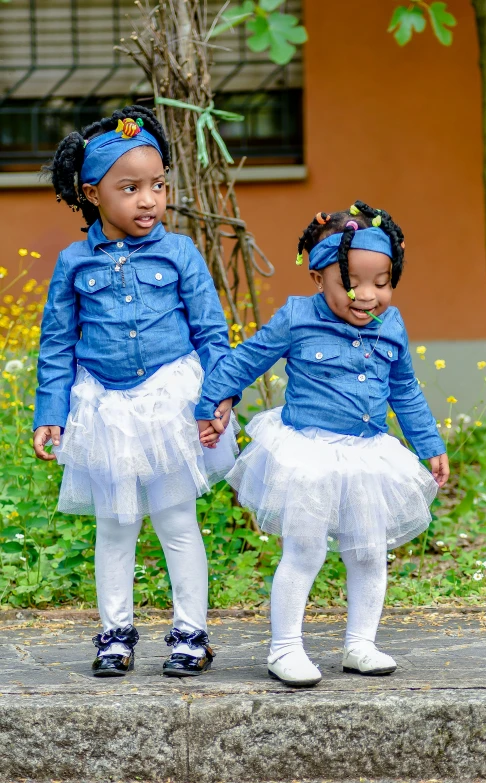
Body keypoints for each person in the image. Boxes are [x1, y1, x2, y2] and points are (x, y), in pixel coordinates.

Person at [195, 201, 449, 687]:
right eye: (353, 283)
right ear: (318, 277)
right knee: (305, 551)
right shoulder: (297, 317)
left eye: (383, 282)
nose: (369, 296)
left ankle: (360, 644)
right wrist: (216, 399)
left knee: (370, 552)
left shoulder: (390, 327)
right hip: (307, 455)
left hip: (367, 455)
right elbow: (245, 359)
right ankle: (284, 647)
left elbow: (406, 391)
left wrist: (429, 443)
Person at [33, 105, 236, 678]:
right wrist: (50, 413)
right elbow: (57, 345)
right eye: (131, 188)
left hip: (170, 402)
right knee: (115, 525)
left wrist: (216, 398)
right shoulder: (73, 263)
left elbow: (211, 333)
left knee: (176, 520)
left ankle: (191, 632)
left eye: (158, 186)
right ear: (94, 194)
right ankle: (115, 633)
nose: (149, 200)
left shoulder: (180, 254)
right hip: (105, 410)